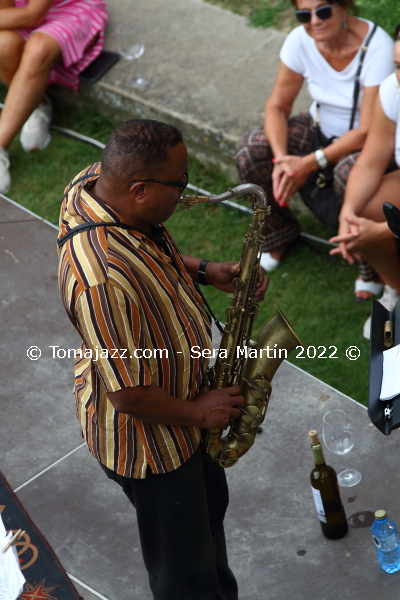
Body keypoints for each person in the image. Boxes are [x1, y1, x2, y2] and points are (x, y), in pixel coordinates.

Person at [56, 119, 269, 600]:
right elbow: (129, 395)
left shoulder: (97, 184)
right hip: (153, 447)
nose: (188, 194)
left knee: (207, 535)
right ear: (139, 189)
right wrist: (199, 412)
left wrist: (205, 270)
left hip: (182, 411)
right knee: (186, 578)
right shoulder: (102, 282)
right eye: (181, 184)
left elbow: (152, 250)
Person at [235, 0, 393, 301]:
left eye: (323, 10)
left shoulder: (379, 48)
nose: (314, 20)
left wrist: (310, 162)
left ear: (345, 6)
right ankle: (280, 235)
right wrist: (283, 160)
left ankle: (369, 263)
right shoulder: (299, 40)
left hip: (367, 140)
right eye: (303, 14)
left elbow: (369, 129)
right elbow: (277, 107)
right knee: (251, 150)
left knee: (348, 176)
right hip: (320, 127)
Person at [329, 26, 400, 338]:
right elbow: (371, 160)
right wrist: (349, 214)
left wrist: (383, 231)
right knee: (364, 210)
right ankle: (396, 291)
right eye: (398, 66)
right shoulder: (393, 89)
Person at [0, 0, 108, 193]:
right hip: (20, 9)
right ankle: (38, 104)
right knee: (3, 44)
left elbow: (33, 15)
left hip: (71, 8)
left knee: (39, 48)